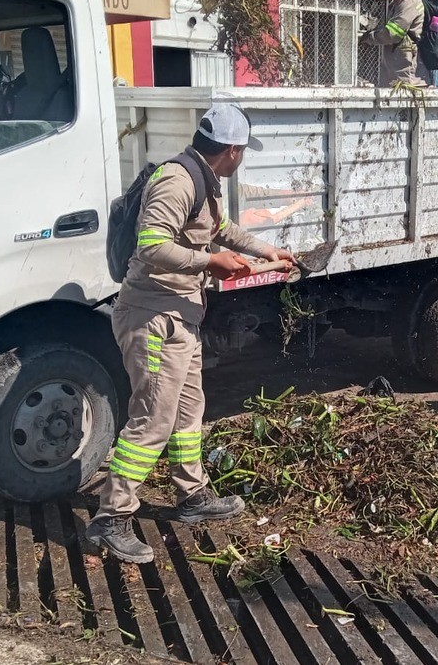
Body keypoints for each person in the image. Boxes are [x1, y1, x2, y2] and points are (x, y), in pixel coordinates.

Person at [87, 104, 296, 563]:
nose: (243, 158)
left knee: (188, 411)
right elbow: (151, 245)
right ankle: (111, 517)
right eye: (243, 151)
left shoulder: (203, 180)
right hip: (154, 318)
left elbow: (220, 230)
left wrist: (270, 251)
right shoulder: (177, 181)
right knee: (152, 420)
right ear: (232, 150)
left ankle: (192, 495)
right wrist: (210, 263)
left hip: (183, 315)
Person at [360, 0, 425, 88]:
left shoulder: (408, 0)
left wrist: (370, 37)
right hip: (397, 58)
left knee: (402, 88)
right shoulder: (400, 1)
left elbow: (393, 33)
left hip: (403, 63)